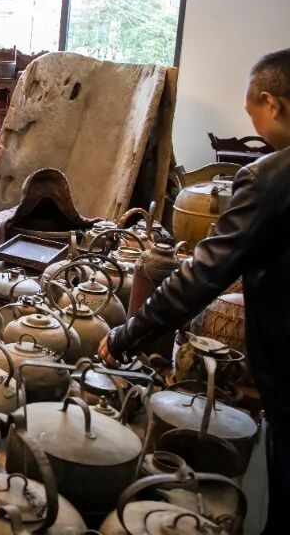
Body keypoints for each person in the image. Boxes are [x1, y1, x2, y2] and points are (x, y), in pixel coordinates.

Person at [99, 48, 290, 535]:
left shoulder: (271, 177)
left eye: (253, 113)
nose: (256, 126)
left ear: (273, 103)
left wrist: (126, 335)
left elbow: (204, 275)